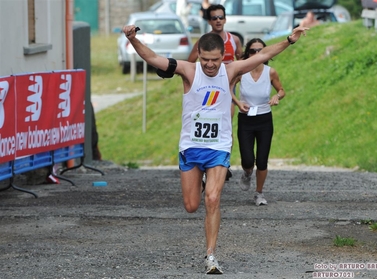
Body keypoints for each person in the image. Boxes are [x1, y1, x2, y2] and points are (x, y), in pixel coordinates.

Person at [122, 24, 308, 274]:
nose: (210, 65)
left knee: (213, 198)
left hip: (219, 146)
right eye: (205, 59)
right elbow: (152, 57)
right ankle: (200, 182)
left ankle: (211, 255)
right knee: (191, 205)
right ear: (198, 55)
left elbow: (264, 55)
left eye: (215, 60)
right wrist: (132, 39)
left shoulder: (231, 71)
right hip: (191, 146)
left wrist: (290, 39)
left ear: (224, 57)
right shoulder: (188, 70)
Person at [188, 4, 243, 181]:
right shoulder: (203, 41)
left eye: (221, 17)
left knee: (226, 125)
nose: (218, 21)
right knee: (207, 121)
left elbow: (241, 60)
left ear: (225, 19)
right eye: (214, 18)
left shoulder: (234, 40)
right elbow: (189, 64)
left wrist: (237, 76)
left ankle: (223, 162)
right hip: (206, 87)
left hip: (228, 87)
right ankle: (205, 165)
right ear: (209, 21)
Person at [235, 38, 285, 206]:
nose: (257, 54)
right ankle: (247, 173)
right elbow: (226, 88)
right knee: (248, 160)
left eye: (261, 51)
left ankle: (259, 193)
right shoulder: (241, 71)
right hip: (246, 119)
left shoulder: (270, 72)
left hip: (264, 118)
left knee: (262, 160)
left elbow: (281, 90)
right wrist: (237, 102)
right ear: (247, 53)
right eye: (253, 51)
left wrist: (276, 96)